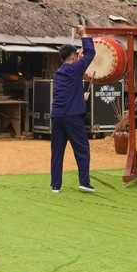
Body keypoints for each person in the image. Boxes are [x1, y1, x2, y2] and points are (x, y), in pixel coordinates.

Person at [50, 25, 96, 194]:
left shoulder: (59, 73)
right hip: (72, 116)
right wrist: (83, 34)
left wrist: (80, 98)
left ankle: (55, 185)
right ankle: (84, 182)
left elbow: (66, 93)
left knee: (57, 151)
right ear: (74, 56)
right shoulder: (75, 68)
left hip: (57, 116)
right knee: (82, 148)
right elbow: (91, 53)